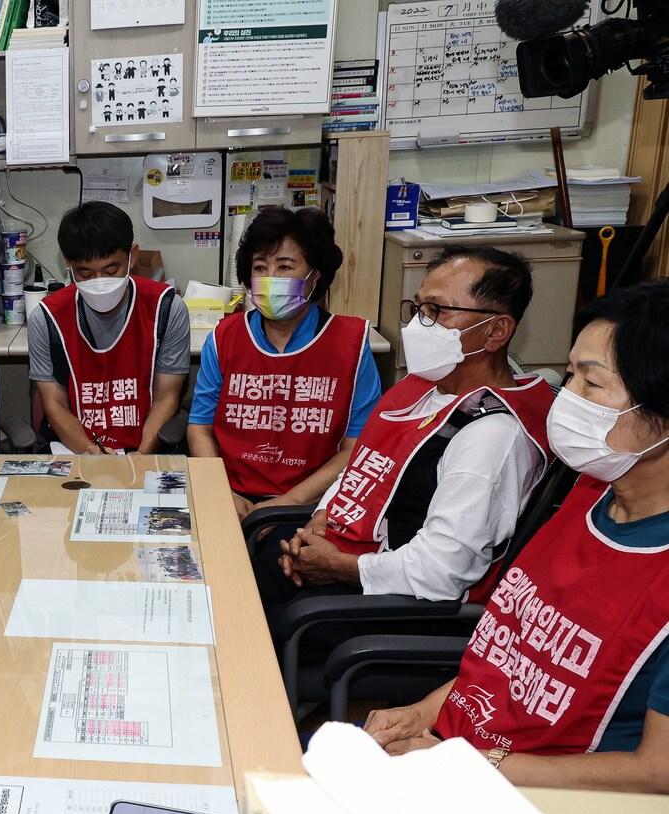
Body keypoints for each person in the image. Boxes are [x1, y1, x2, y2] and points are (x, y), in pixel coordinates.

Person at [364, 284, 669, 790]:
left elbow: (657, 771)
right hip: (456, 756)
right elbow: (510, 659)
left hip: (540, 800)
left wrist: (464, 766)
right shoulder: (587, 495)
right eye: (570, 375)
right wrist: (421, 714)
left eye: (592, 384)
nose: (567, 397)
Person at [263, 245, 555, 609]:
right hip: (346, 555)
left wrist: (337, 566)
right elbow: (363, 470)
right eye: (418, 308)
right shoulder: (422, 387)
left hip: (392, 603)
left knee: (249, 599)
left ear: (496, 331)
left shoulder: (492, 435)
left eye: (436, 311)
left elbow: (442, 570)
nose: (418, 325)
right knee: (247, 560)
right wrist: (320, 521)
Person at [188, 207, 381, 520]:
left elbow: (356, 446)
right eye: (260, 267)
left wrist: (289, 502)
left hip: (311, 505)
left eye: (285, 266)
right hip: (229, 494)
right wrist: (222, 492)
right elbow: (200, 428)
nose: (269, 279)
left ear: (315, 275)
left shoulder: (352, 343)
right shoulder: (224, 338)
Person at [28, 201, 190, 454]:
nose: (99, 283)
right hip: (77, 449)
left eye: (111, 269)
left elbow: (166, 397)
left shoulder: (166, 308)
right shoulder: (47, 318)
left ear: (132, 256)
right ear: (68, 263)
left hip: (143, 446)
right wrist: (89, 451)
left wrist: (141, 454)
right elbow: (54, 404)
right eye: (85, 273)